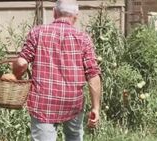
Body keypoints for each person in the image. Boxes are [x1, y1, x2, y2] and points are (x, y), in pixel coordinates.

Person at [11, 0, 102, 140]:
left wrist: (15, 72)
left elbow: (22, 63)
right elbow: (93, 75)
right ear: (76, 16)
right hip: (72, 103)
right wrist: (95, 107)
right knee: (74, 137)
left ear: (54, 12)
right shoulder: (83, 38)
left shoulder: (37, 32)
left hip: (43, 103)